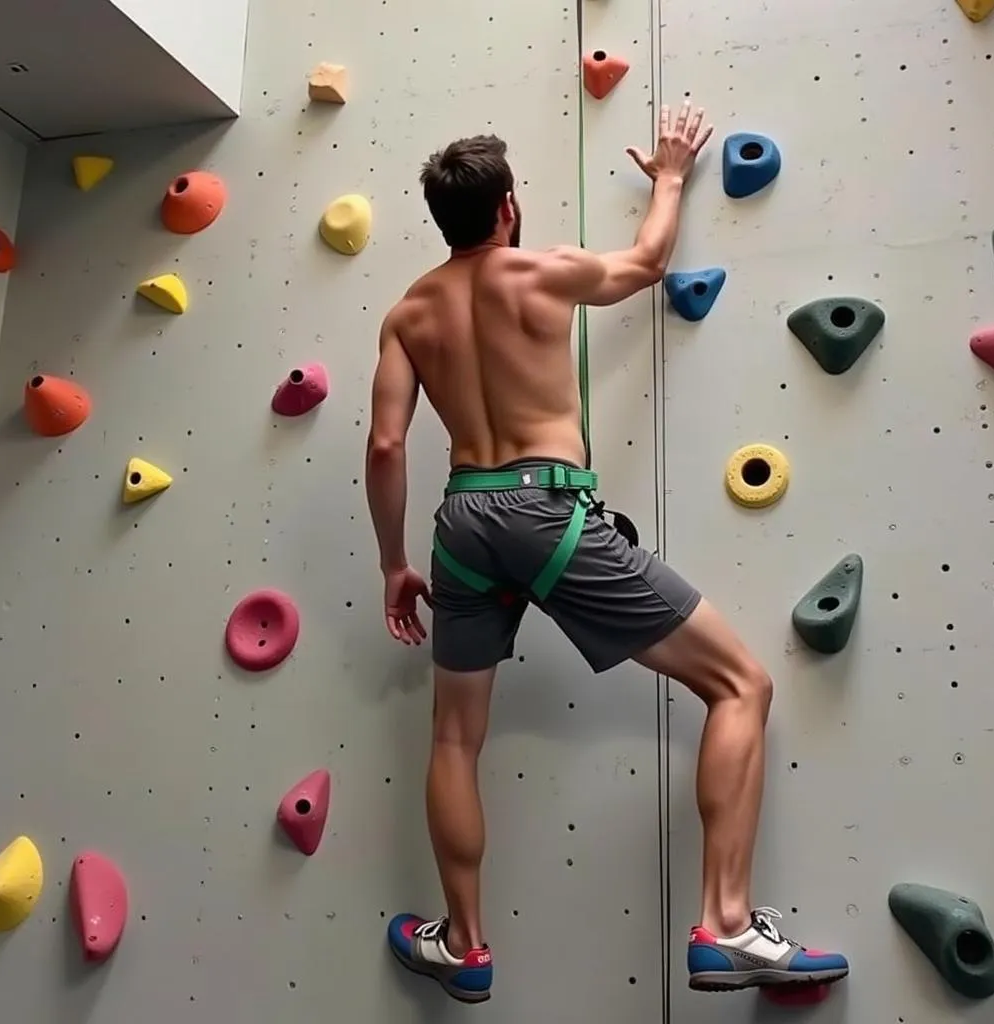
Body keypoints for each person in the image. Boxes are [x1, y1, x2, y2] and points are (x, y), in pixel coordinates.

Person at [364, 99, 849, 1005]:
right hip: (548, 510)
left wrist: (395, 562)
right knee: (742, 684)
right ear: (508, 206)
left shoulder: (406, 315)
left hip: (461, 522)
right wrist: (668, 177)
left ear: (444, 220)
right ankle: (729, 925)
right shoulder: (542, 273)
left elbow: (387, 447)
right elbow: (645, 262)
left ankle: (462, 945)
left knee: (453, 738)